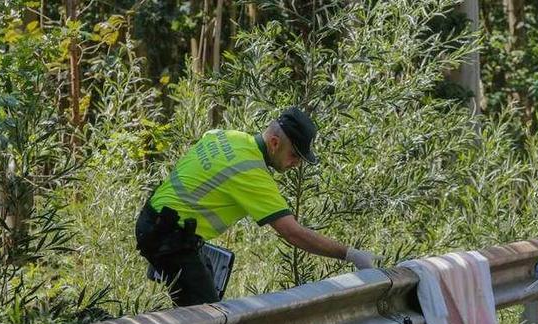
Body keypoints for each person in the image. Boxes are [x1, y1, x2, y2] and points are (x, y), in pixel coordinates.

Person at [136, 107, 380, 307]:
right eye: (295, 155)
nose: (295, 164)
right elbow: (293, 233)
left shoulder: (228, 136)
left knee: (206, 296)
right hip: (169, 238)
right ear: (274, 142)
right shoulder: (250, 171)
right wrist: (350, 254)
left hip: (157, 222)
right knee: (208, 323)